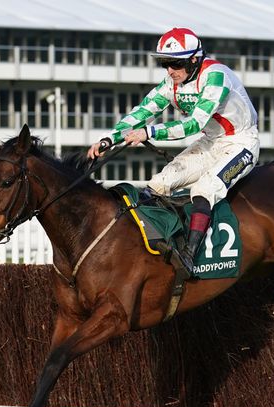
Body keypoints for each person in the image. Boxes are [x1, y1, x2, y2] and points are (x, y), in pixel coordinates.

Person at [87, 27, 260, 274]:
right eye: (165, 63)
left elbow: (194, 124)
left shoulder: (216, 76)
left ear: (194, 59)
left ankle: (190, 255)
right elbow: (141, 113)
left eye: (175, 64)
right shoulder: (172, 83)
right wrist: (109, 139)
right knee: (158, 183)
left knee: (203, 189)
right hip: (211, 142)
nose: (170, 71)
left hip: (241, 143)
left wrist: (149, 133)